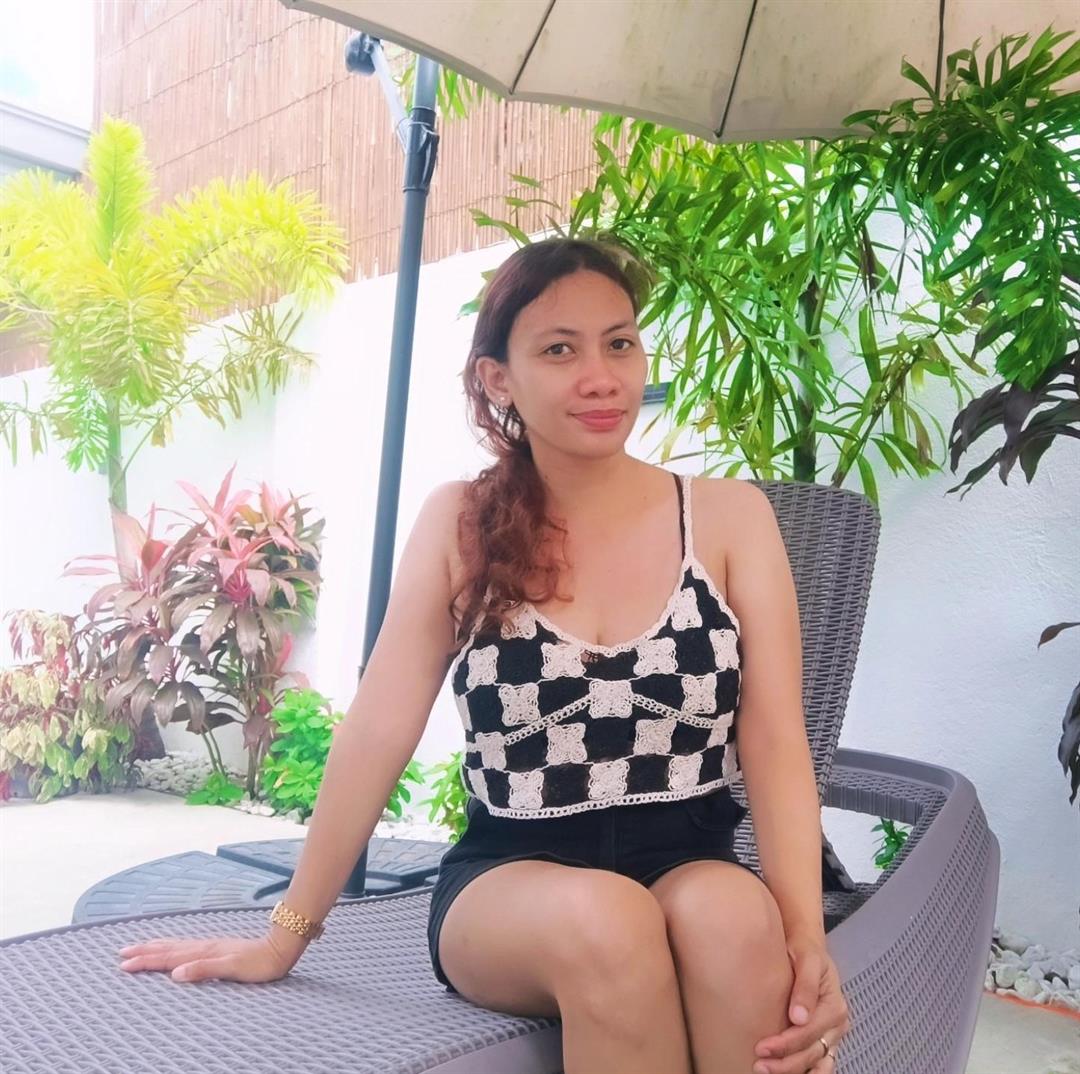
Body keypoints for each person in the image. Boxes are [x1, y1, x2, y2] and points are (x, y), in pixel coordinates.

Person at [117, 237, 851, 1074]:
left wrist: (805, 940)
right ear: (499, 379)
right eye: (560, 350)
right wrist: (286, 934)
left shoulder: (728, 517)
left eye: (619, 342)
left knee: (740, 926)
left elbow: (776, 741)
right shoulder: (462, 525)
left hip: (690, 857)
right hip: (511, 878)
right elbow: (378, 731)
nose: (602, 377)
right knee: (610, 924)